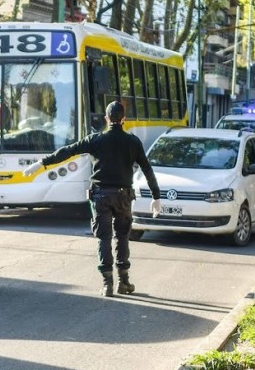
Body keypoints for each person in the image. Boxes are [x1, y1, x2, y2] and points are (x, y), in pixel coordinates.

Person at [22, 101, 161, 297]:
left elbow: (68, 151)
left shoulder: (95, 140)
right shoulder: (133, 142)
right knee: (122, 237)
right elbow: (147, 169)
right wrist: (156, 196)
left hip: (101, 196)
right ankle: (124, 281)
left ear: (106, 118)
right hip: (123, 197)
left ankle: (107, 284)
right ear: (124, 119)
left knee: (104, 238)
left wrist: (42, 163)